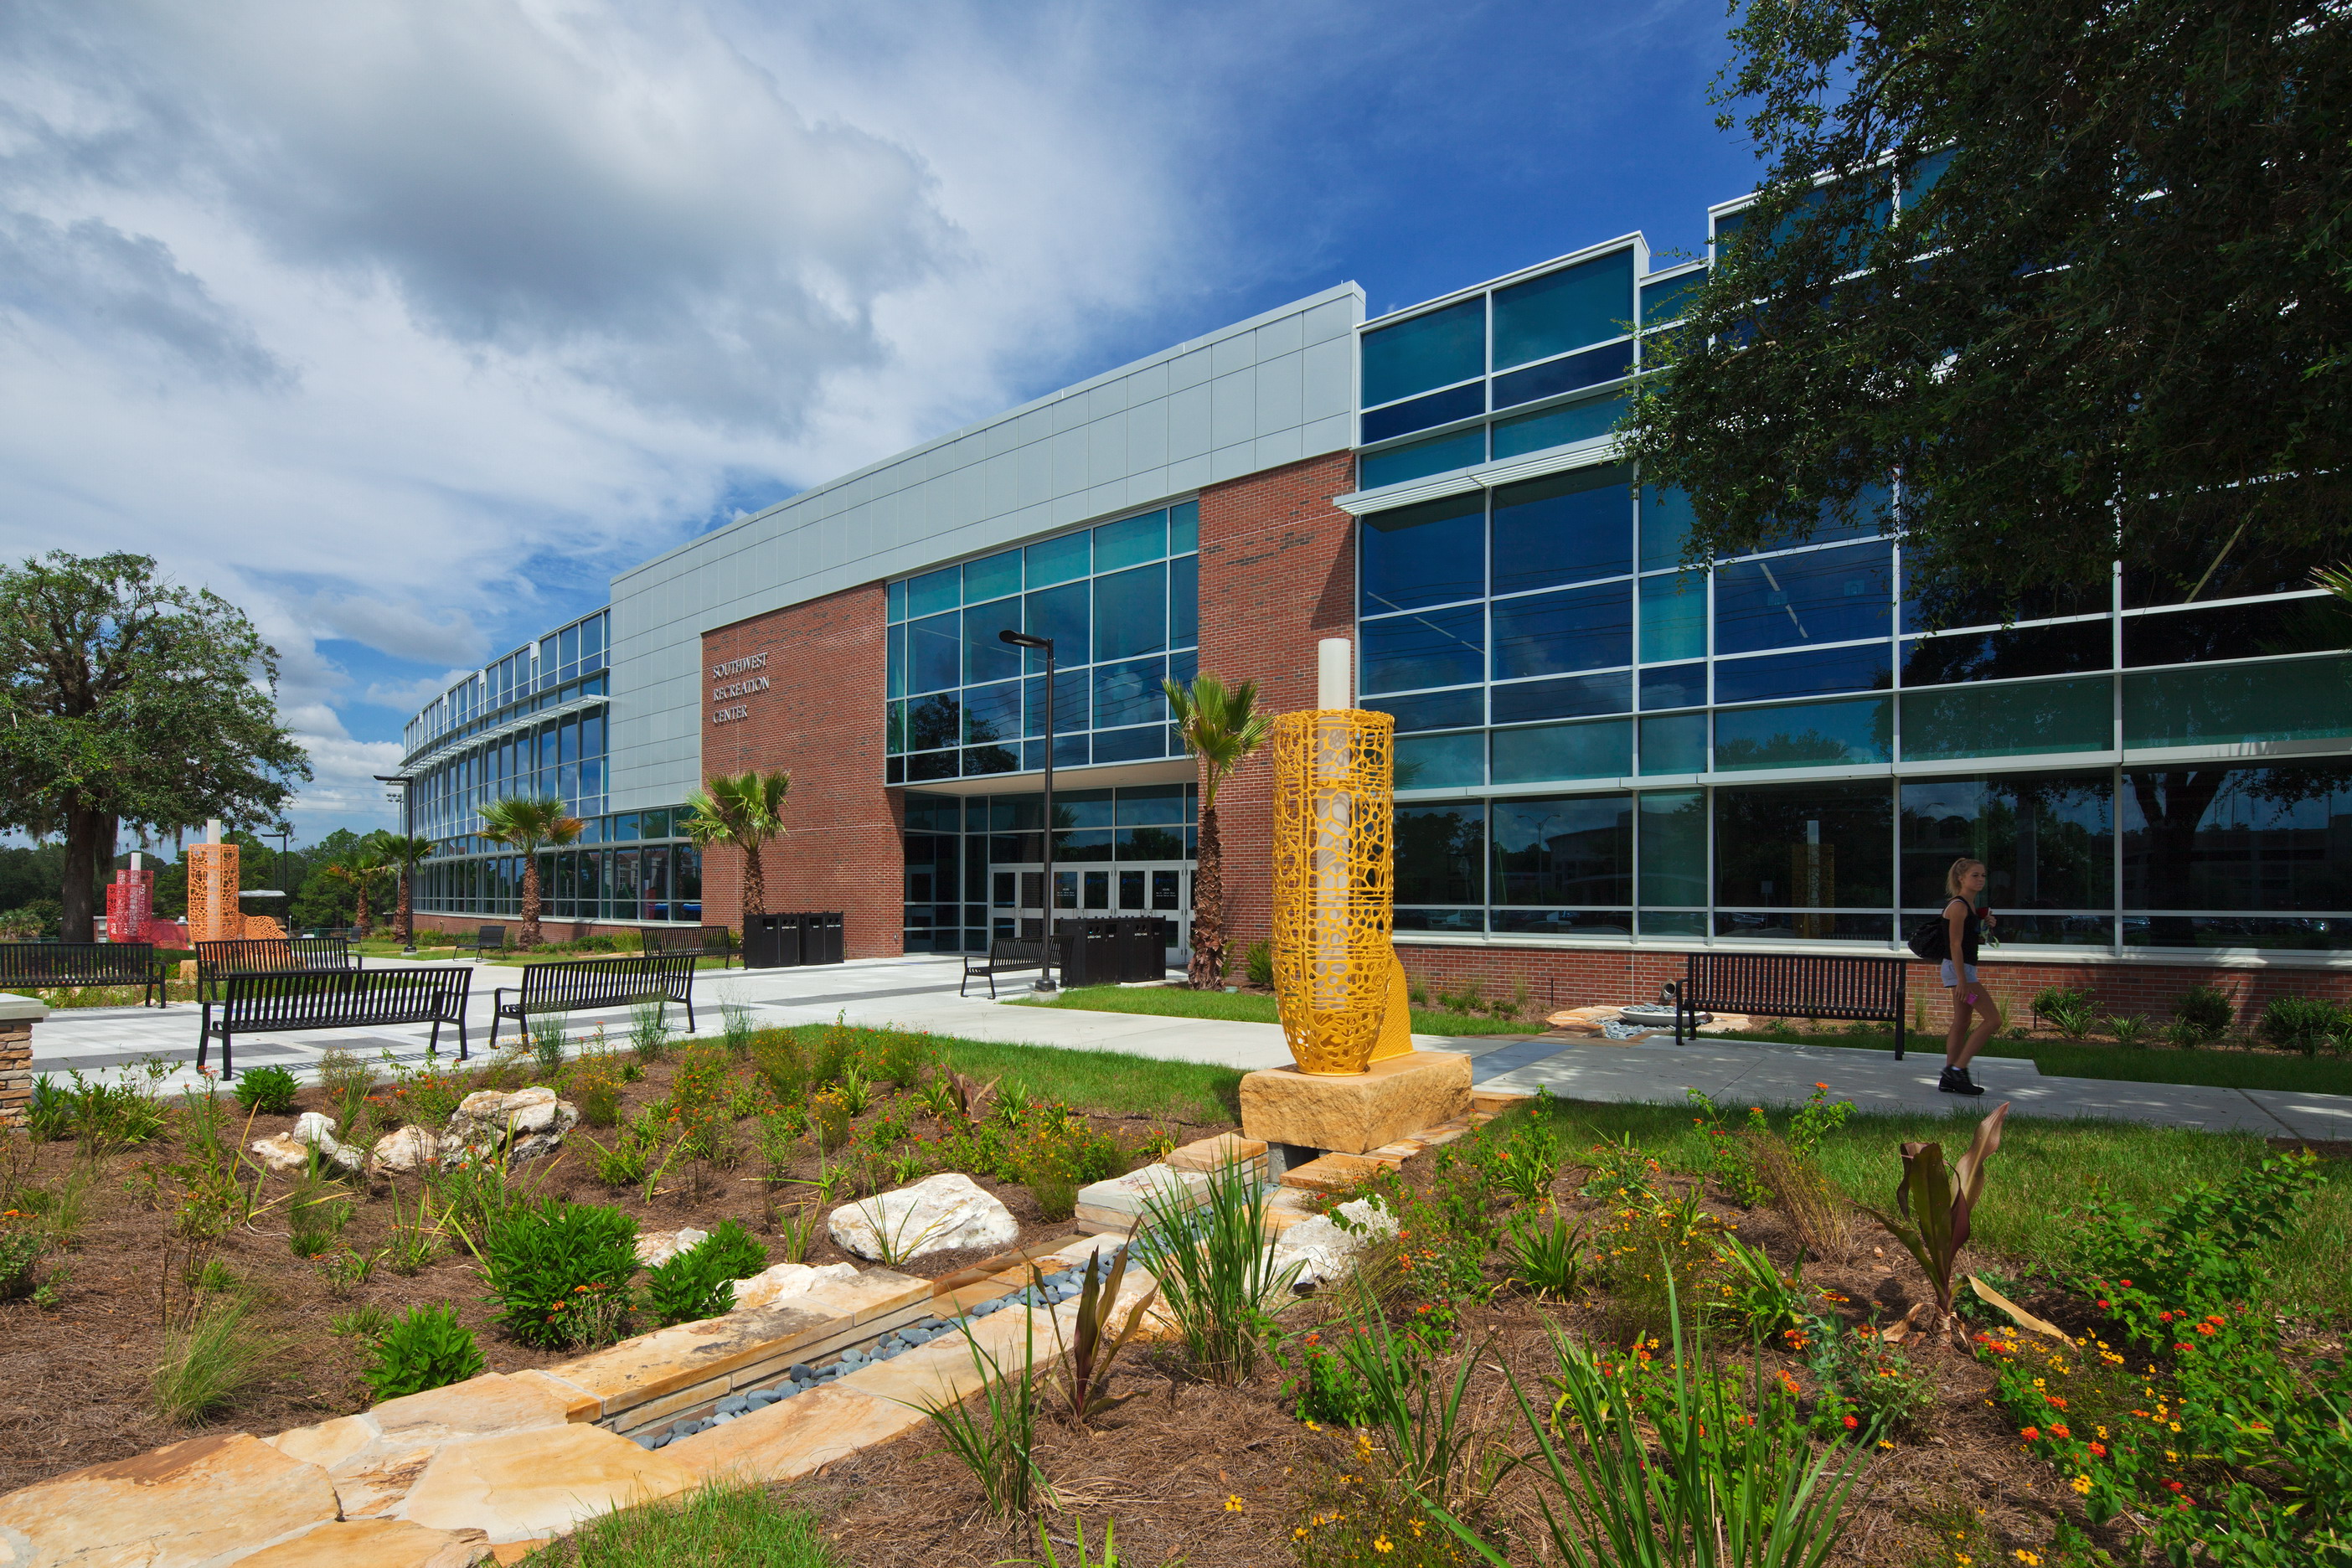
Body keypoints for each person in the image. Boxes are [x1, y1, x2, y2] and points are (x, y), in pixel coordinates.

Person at [1938, 858, 2000, 1096]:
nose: (1980, 879)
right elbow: (1954, 945)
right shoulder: (1958, 906)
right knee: (1994, 1020)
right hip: (1960, 971)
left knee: (1962, 1022)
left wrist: (1984, 926)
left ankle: (1948, 1077)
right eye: (1975, 875)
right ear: (1961, 879)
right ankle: (1958, 1069)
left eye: (1983, 875)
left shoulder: (1970, 907)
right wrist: (1962, 981)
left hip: (1963, 970)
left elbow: (1969, 941)